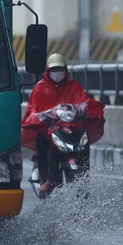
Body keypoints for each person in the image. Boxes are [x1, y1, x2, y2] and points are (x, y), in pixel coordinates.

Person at [21, 53, 105, 194]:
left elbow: (84, 102)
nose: (57, 73)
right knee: (41, 143)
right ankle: (45, 179)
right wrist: (43, 116)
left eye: (59, 69)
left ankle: (85, 179)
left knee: (84, 142)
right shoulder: (40, 88)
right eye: (54, 70)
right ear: (48, 71)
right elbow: (33, 110)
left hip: (71, 128)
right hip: (48, 129)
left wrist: (84, 110)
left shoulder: (73, 86)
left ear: (65, 69)